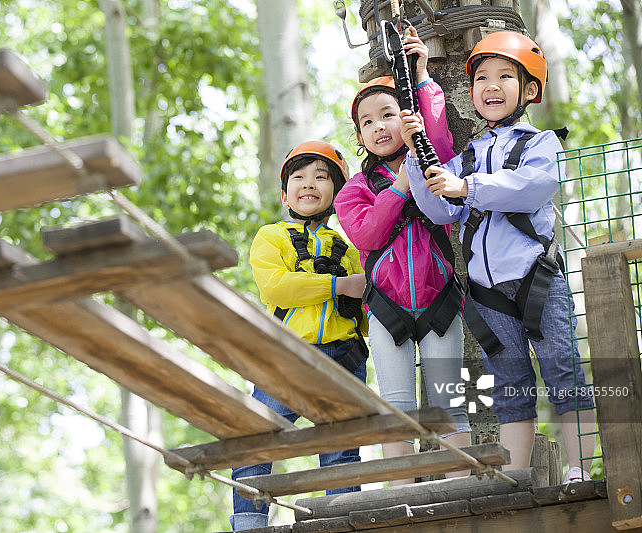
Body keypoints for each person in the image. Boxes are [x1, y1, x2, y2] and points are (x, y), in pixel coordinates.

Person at [400, 30, 596, 483]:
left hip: (537, 280)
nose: (491, 85)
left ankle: (579, 471)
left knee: (563, 374)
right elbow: (440, 205)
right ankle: (518, 479)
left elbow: (533, 188)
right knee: (509, 388)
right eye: (482, 77)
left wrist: (468, 187)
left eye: (505, 76)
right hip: (488, 295)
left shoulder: (542, 144)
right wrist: (416, 157)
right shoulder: (468, 155)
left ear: (529, 90)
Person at [334, 26, 471, 486]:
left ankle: (460, 486)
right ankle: (400, 491)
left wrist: (422, 77)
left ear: (405, 119)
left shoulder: (431, 164)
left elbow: (438, 140)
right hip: (387, 308)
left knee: (448, 398)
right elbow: (368, 235)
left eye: (388, 115)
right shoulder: (355, 190)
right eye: (367, 122)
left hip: (439, 302)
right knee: (396, 402)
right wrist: (397, 189)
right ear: (359, 136)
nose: (378, 126)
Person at [229, 140, 369, 531]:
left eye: (322, 178)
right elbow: (277, 288)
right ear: (284, 193)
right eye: (299, 177)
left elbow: (370, 306)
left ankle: (340, 520)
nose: (309, 184)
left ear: (338, 193)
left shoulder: (352, 249)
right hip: (284, 354)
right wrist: (339, 286)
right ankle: (248, 522)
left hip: (345, 355)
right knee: (258, 435)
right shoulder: (271, 237)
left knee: (341, 448)